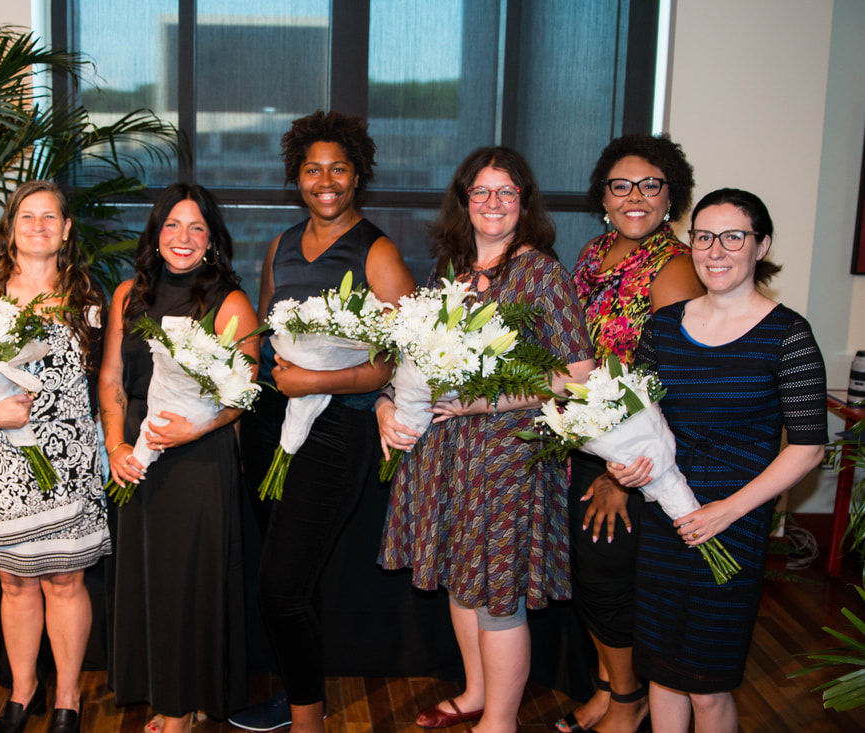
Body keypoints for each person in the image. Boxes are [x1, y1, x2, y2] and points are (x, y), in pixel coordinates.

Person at [377, 146, 594, 733]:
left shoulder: (542, 273)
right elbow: (409, 360)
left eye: (507, 192)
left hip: (508, 461)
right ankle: (476, 693)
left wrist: (487, 400)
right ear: (464, 200)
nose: (493, 203)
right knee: (461, 581)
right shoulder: (448, 271)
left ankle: (498, 723)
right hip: (445, 458)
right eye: (481, 192)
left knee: (499, 597)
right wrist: (384, 404)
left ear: (524, 203)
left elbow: (579, 376)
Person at [607, 188, 826, 732]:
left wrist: (728, 511)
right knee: (660, 673)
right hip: (666, 520)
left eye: (734, 237)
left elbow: (808, 446)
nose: (716, 250)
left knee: (706, 686)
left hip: (735, 524)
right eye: (704, 237)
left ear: (761, 245)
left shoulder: (787, 336)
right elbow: (642, 422)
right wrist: (626, 466)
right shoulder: (663, 328)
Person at [228, 110, 415, 733]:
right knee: (291, 583)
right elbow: (262, 332)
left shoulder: (378, 252)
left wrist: (319, 381)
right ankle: (299, 695)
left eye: (338, 169)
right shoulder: (280, 245)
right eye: (313, 170)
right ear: (296, 178)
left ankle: (307, 722)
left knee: (280, 587)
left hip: (337, 431)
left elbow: (396, 364)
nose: (325, 180)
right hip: (267, 426)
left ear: (357, 176)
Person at [555, 133, 704, 733]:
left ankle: (627, 701)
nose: (635, 196)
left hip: (631, 454)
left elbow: (676, 381)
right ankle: (605, 687)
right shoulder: (595, 253)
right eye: (621, 186)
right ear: (604, 196)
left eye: (650, 185)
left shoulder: (675, 267)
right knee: (585, 579)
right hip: (584, 438)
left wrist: (626, 475)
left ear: (672, 196)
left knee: (606, 580)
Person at [0, 180, 110, 733]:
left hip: (68, 461)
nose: (38, 226)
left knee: (65, 581)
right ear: (10, 229)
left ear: (66, 230)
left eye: (50, 217)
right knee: (14, 583)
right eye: (26, 217)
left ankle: (68, 699)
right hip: (0, 459)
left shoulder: (90, 299)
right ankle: (21, 692)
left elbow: (104, 382)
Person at [100, 183, 258, 733]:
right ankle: (155, 688)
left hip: (197, 459)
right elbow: (112, 381)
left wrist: (194, 430)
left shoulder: (228, 302)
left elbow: (244, 392)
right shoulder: (127, 295)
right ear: (156, 233)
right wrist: (116, 445)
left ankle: (184, 702)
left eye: (195, 228)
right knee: (146, 578)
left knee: (189, 581)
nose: (183, 238)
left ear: (211, 239)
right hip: (137, 456)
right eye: (172, 225)